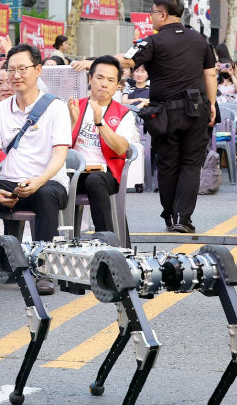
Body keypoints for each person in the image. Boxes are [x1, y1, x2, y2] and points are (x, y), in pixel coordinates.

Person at [74, 0, 216, 233]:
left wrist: (95, 63)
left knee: (168, 164)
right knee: (191, 164)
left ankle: (170, 217)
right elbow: (209, 75)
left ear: (162, 14)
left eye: (152, 13)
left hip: (164, 112)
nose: (150, 18)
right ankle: (183, 218)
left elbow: (128, 60)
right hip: (196, 109)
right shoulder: (200, 40)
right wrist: (211, 104)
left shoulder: (154, 41)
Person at [0, 43, 71, 295]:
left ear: (38, 70)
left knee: (44, 195)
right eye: (11, 70)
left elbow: (60, 155)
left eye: (23, 69)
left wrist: (39, 181)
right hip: (8, 183)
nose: (16, 75)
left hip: (48, 183)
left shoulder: (56, 107)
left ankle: (43, 269)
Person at [68, 55, 137, 233]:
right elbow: (58, 146)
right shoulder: (74, 106)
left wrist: (100, 123)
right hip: (73, 173)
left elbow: (122, 148)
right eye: (99, 78)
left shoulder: (123, 113)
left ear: (117, 85)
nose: (104, 84)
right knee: (50, 186)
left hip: (106, 175)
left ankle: (106, 240)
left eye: (110, 80)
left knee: (95, 181)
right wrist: (73, 122)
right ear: (90, 79)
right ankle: (54, 243)